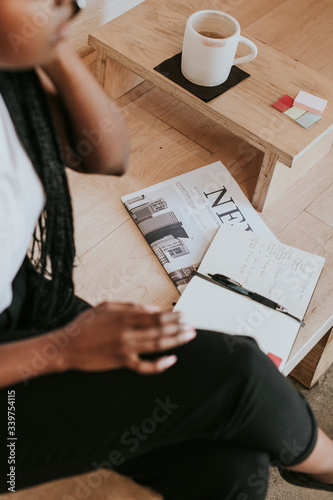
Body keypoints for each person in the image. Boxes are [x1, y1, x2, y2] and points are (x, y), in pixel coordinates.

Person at [0, 1, 332, 498]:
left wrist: (51, 49)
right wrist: (66, 350)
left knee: (230, 464)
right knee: (236, 374)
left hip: (25, 310)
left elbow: (108, 155)